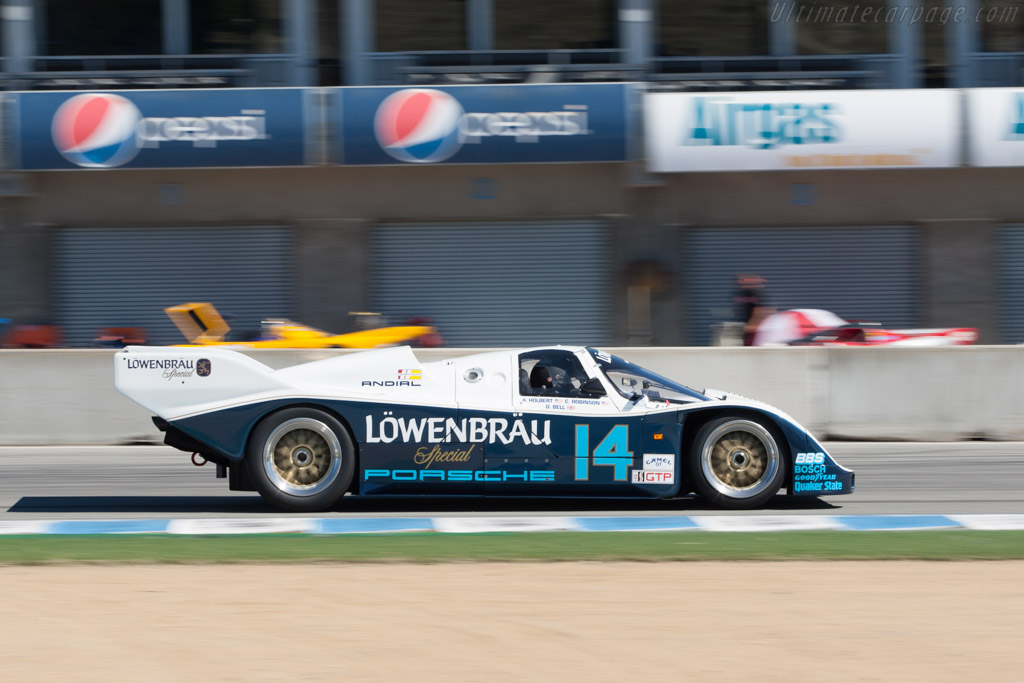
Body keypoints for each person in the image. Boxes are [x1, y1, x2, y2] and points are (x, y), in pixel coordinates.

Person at [733, 274, 773, 346]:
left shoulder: (756, 293)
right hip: (746, 328)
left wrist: (752, 325)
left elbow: (760, 310)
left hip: (753, 330)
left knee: (751, 348)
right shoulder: (744, 293)